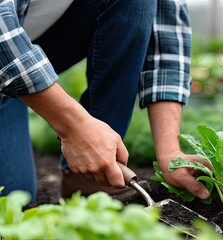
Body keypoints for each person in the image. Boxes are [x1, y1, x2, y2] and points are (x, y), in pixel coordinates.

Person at [0, 0, 210, 203]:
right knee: (10, 204)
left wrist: (171, 153)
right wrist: (73, 126)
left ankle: (90, 176)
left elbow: (165, 27)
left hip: (19, 65)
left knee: (18, 199)